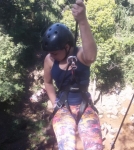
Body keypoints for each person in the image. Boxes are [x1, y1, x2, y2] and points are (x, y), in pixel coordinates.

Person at [42, 0, 103, 150]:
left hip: (84, 106)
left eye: (55, 52)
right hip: (63, 107)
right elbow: (48, 83)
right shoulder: (49, 60)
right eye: (50, 53)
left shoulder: (81, 55)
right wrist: (55, 102)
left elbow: (91, 57)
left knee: (95, 147)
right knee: (66, 147)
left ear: (67, 46)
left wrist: (82, 20)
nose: (52, 55)